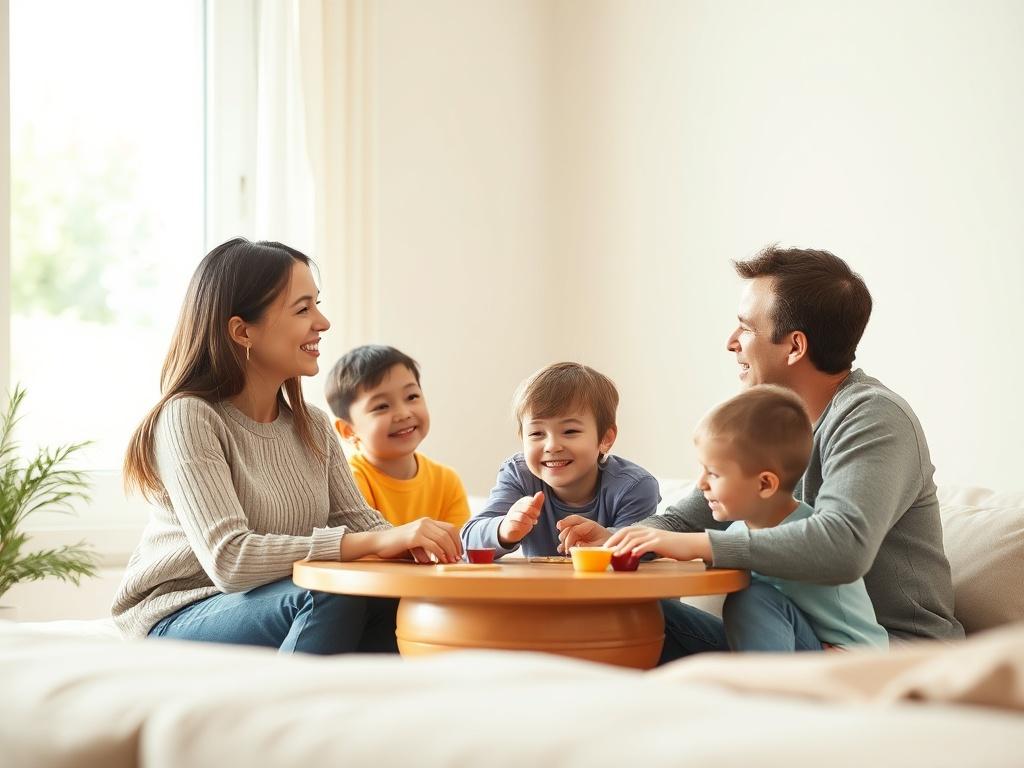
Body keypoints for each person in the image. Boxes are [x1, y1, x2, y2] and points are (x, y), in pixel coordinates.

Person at [559, 245, 963, 655]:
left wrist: (704, 546)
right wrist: (622, 541)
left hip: (891, 655)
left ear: (794, 347)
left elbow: (843, 547)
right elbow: (684, 520)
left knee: (750, 598)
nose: (730, 342)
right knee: (622, 614)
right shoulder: (774, 425)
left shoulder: (873, 416)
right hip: (789, 637)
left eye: (745, 328)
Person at [112, 238, 462, 653]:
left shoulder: (311, 424)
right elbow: (229, 561)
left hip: (267, 601)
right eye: (303, 309)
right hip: (177, 611)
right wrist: (376, 544)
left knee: (398, 602)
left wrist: (418, 548)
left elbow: (361, 523)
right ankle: (288, 716)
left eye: (317, 303)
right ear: (242, 330)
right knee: (329, 592)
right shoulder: (188, 416)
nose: (323, 322)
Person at [608, 385, 889, 652]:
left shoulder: (806, 535)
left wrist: (697, 545)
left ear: (765, 484)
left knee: (753, 598)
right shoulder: (737, 529)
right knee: (654, 615)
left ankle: (760, 695)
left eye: (714, 474)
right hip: (774, 646)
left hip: (842, 658)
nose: (702, 484)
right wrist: (620, 542)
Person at [461, 361, 659, 558]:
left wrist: (608, 539)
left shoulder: (634, 486)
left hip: (608, 590)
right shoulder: (520, 475)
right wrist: (503, 529)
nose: (552, 446)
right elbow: (467, 542)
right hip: (538, 590)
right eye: (537, 433)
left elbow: (646, 549)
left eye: (570, 431)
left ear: (605, 439)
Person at [325, 344, 470, 528]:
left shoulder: (447, 481)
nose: (403, 413)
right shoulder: (350, 482)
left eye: (412, 397)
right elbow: (367, 549)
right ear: (348, 430)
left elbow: (459, 550)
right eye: (381, 406)